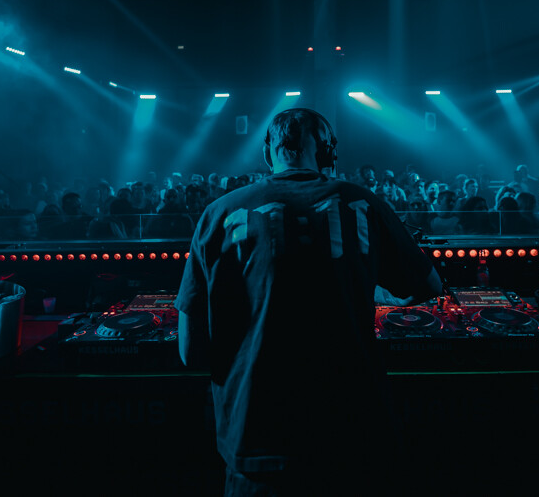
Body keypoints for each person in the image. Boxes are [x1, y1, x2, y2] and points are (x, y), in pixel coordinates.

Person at [175, 108, 441, 495]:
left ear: (267, 152)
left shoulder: (219, 214)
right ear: (328, 152)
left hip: (256, 438)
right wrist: (368, 289)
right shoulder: (363, 202)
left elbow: (189, 352)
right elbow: (429, 285)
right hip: (354, 432)